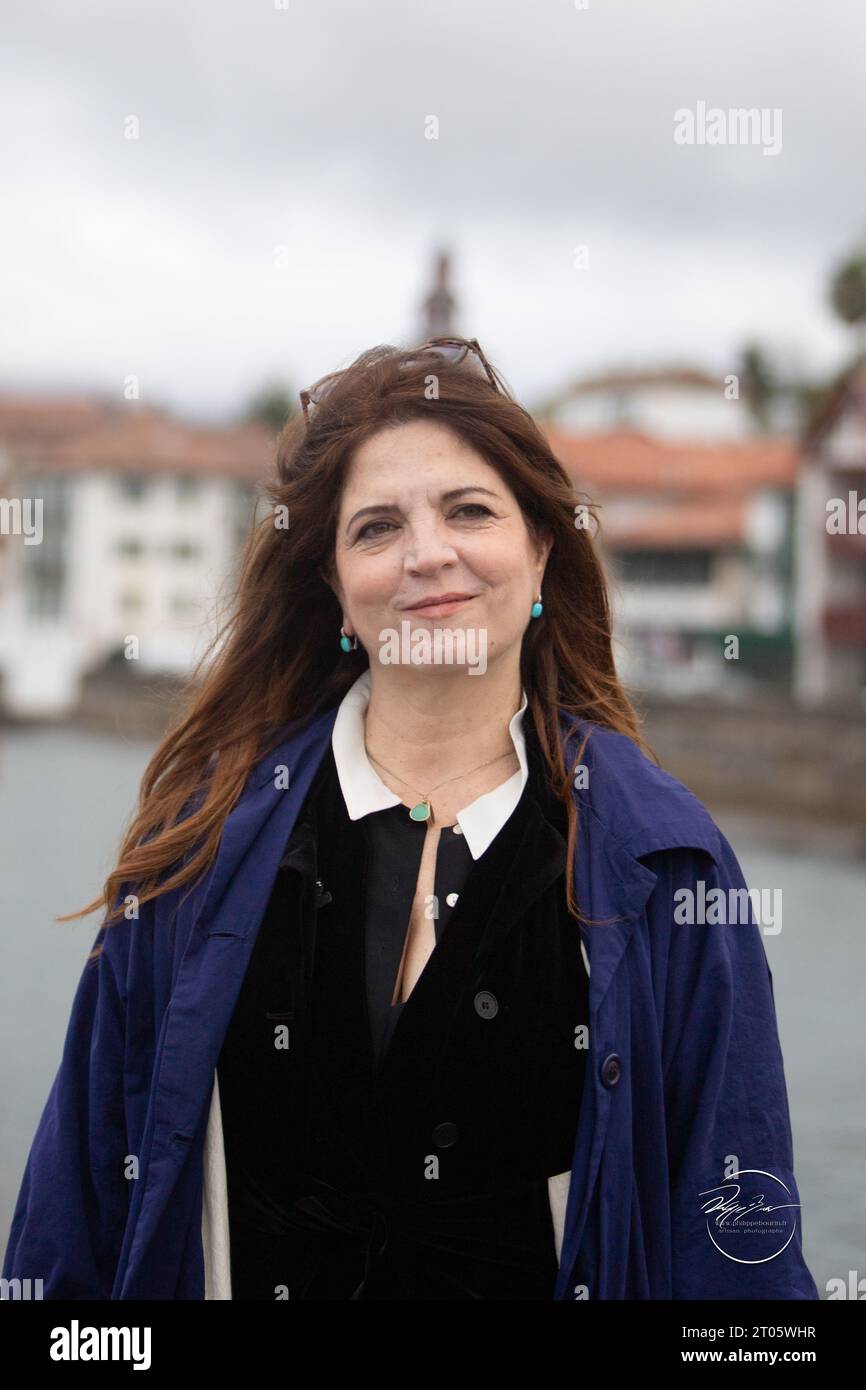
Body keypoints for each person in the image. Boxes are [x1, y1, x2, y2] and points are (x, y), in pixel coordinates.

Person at [2, 337, 819, 1300]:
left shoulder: (667, 866)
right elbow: (73, 1229)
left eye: (470, 511)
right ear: (336, 585)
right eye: (377, 528)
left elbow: (741, 1261)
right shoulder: (195, 855)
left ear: (542, 547)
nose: (428, 554)